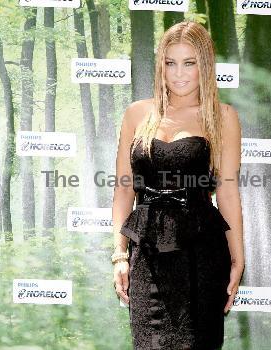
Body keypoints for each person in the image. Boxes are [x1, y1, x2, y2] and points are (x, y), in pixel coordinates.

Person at [112, 21, 244, 349]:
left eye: (190, 63)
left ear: (205, 66)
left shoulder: (222, 116)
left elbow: (227, 191)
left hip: (201, 253)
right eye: (170, 63)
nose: (179, 73)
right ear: (161, 66)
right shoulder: (136, 114)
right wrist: (120, 254)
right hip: (148, 254)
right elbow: (124, 189)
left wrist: (238, 258)